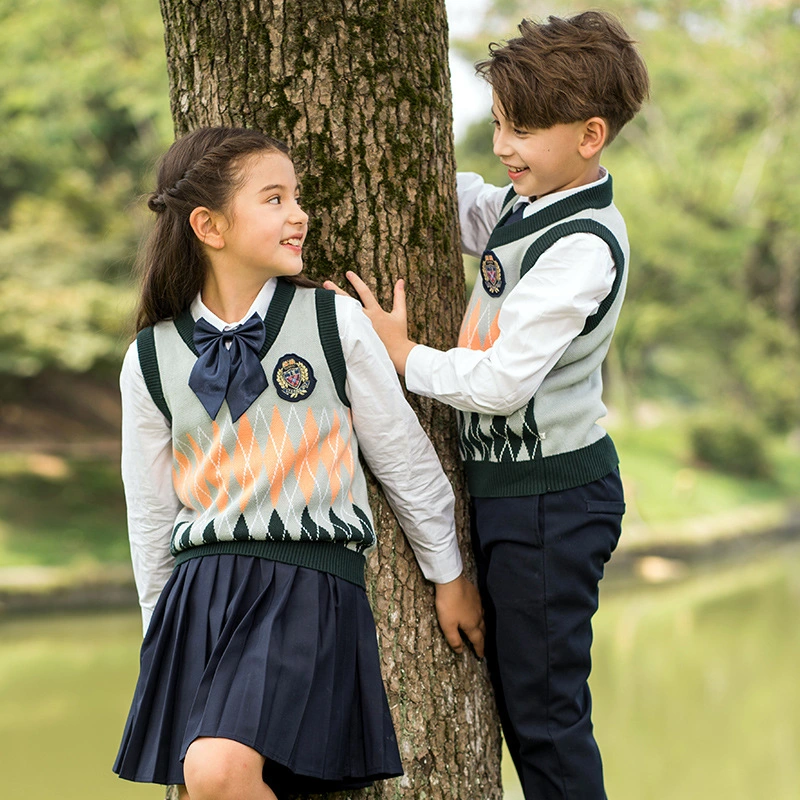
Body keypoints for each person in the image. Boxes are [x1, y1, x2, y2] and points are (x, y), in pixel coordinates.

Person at [324, 11, 649, 799]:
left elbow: (504, 383)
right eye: (499, 124)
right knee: (526, 700)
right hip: (517, 498)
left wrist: (401, 357)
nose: (504, 146)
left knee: (545, 717)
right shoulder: (530, 204)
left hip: (554, 504)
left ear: (590, 135)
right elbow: (473, 210)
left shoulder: (582, 247)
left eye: (524, 130)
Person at [112, 126, 485, 800]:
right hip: (197, 597)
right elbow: (150, 514)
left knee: (217, 774)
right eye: (275, 198)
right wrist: (157, 633)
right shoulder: (149, 359)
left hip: (303, 583)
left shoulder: (330, 323)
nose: (299, 214)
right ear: (209, 225)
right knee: (221, 782)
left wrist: (448, 572)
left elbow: (405, 457)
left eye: (298, 197)